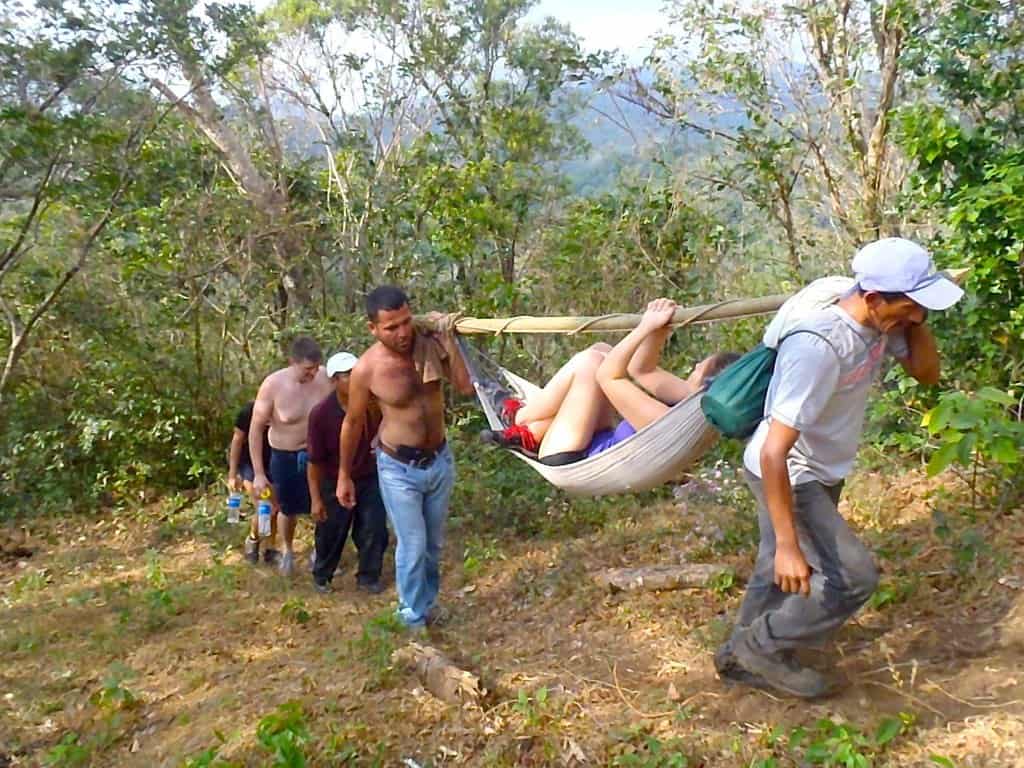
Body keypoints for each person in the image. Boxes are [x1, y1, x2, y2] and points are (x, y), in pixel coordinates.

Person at [715, 238, 964, 699]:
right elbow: (774, 451)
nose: (913, 316)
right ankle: (760, 647)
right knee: (851, 575)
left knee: (775, 565)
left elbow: (927, 373)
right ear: (871, 299)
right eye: (908, 307)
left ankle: (737, 656)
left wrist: (917, 316)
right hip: (789, 470)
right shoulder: (819, 346)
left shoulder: (880, 323)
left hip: (821, 467)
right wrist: (791, 544)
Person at [336, 285, 474, 631]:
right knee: (412, 544)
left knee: (433, 543)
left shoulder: (431, 345)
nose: (401, 333)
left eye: (405, 322)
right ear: (373, 329)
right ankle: (411, 618)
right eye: (391, 327)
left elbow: (465, 386)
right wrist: (344, 474)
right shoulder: (367, 369)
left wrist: (450, 340)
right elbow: (352, 422)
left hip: (438, 459)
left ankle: (427, 604)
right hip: (398, 467)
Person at [482, 298, 739, 465]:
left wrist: (645, 328)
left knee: (593, 362)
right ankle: (530, 429)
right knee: (602, 348)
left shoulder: (669, 419)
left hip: (572, 456)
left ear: (706, 384)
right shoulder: (689, 401)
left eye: (699, 368)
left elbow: (608, 375)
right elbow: (642, 370)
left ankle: (520, 419)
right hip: (586, 438)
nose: (694, 366)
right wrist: (660, 331)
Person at [307, 351, 389, 594]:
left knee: (374, 528)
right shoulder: (321, 414)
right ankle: (322, 575)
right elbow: (314, 461)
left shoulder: (373, 405)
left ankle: (368, 577)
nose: (353, 379)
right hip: (334, 480)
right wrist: (316, 499)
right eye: (346, 375)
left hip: (369, 476)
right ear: (334, 380)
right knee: (331, 531)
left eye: (356, 373)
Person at [251, 336, 333, 576]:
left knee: (323, 504)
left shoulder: (326, 378)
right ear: (292, 362)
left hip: (318, 455)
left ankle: (320, 552)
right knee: (287, 508)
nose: (313, 373)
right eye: (308, 369)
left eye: (316, 367)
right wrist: (257, 473)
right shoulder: (273, 385)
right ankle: (287, 550)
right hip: (285, 455)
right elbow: (255, 429)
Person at [227, 400, 280, 564]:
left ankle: (269, 548)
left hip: (274, 463)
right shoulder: (248, 411)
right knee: (265, 507)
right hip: (249, 464)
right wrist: (232, 473)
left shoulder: (284, 408)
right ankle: (253, 540)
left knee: (275, 509)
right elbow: (236, 441)